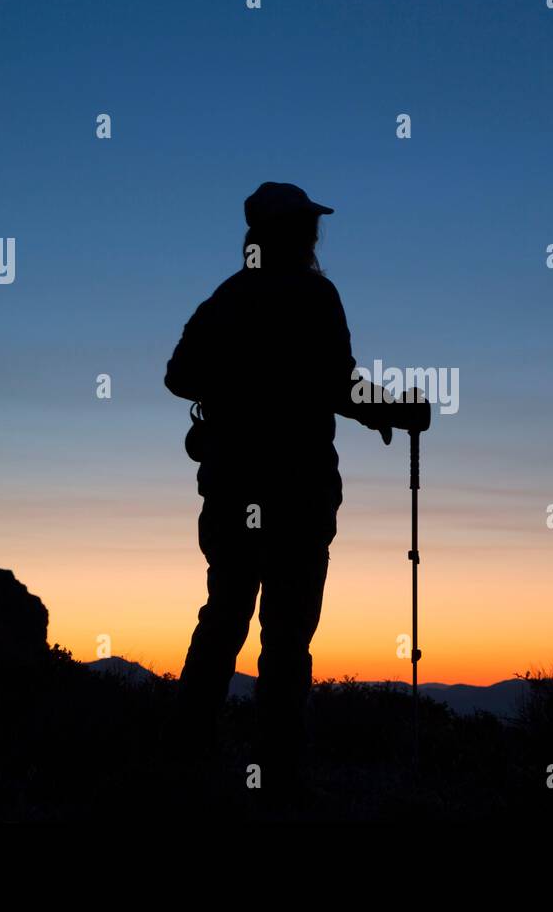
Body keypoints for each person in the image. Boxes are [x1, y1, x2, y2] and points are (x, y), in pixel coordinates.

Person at [164, 182, 428, 796]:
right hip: (300, 493)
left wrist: (235, 388)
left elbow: (179, 376)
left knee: (223, 620)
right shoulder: (315, 296)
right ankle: (279, 774)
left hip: (232, 490)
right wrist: (393, 411)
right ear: (290, 234)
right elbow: (341, 385)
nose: (313, 236)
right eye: (307, 226)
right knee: (286, 636)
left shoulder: (227, 299)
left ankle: (186, 757)